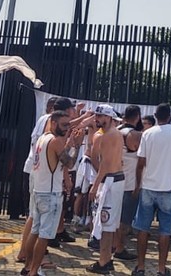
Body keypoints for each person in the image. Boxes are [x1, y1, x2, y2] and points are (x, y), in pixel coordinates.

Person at [23, 110, 82, 276]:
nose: (66, 128)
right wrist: (77, 145)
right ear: (54, 123)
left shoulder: (43, 138)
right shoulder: (55, 141)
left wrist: (69, 142)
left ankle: (28, 266)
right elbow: (69, 163)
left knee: (35, 231)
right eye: (64, 125)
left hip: (39, 191)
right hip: (50, 194)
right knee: (44, 235)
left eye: (68, 125)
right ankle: (34, 270)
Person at [133, 103, 171, 276]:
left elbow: (140, 163)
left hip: (148, 186)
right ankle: (161, 269)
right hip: (167, 187)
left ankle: (140, 267)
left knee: (143, 228)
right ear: (170, 116)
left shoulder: (147, 133)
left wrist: (137, 185)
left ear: (155, 116)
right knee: (165, 231)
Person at [85, 104, 125, 274]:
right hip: (110, 180)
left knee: (106, 222)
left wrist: (95, 186)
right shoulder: (102, 134)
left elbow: (106, 163)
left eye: (101, 116)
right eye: (96, 116)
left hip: (111, 180)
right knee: (105, 222)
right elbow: (95, 158)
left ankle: (103, 262)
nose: (97, 119)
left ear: (109, 118)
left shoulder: (111, 135)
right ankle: (106, 259)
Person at [112, 104, 142, 262]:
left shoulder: (115, 132)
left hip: (114, 178)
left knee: (114, 216)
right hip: (130, 182)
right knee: (125, 220)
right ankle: (120, 247)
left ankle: (113, 244)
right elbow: (143, 159)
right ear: (137, 117)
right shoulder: (136, 135)